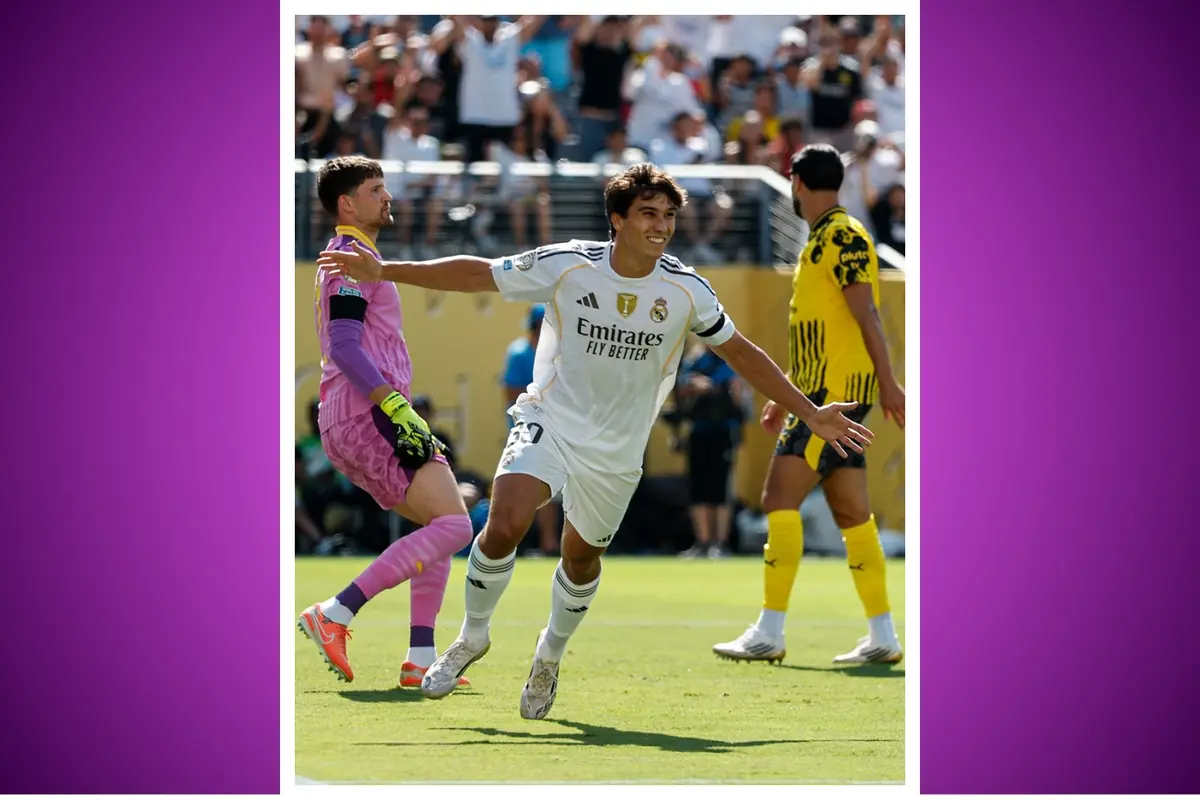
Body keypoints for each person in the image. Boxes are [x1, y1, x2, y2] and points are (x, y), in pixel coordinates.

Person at [317, 162, 874, 720]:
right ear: (618, 219)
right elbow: (479, 273)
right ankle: (472, 636)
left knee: (580, 560)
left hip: (617, 450)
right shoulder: (569, 264)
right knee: (503, 521)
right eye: (648, 214)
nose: (661, 226)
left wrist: (811, 412)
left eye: (669, 216)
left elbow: (743, 353)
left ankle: (549, 655)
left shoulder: (685, 289)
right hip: (550, 421)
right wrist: (387, 269)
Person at [712, 144, 905, 666]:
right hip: (821, 391)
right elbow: (827, 328)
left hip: (833, 398)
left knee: (778, 497)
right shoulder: (825, 237)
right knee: (851, 511)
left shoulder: (841, 235)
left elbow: (866, 316)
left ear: (795, 181)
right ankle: (883, 634)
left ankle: (769, 630)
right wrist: (786, 393)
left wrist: (888, 383)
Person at [297, 155, 474, 690]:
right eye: (376, 189)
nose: (387, 196)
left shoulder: (355, 258)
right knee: (457, 527)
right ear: (347, 203)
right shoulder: (350, 257)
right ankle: (336, 611)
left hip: (351, 417)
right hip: (369, 413)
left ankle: (421, 657)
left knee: (437, 527)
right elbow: (344, 346)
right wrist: (392, 403)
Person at [503, 305, 561, 557]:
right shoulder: (520, 353)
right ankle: (547, 544)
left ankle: (556, 544)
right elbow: (511, 393)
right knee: (536, 488)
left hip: (561, 428)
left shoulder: (561, 352)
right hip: (530, 430)